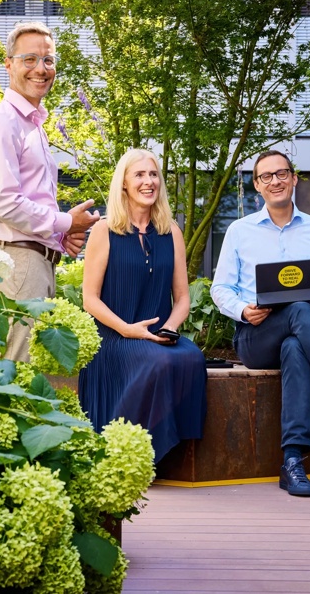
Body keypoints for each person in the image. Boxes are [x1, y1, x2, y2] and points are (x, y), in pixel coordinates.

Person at [211, 150, 310, 497]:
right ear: (257, 185)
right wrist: (242, 310)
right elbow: (220, 288)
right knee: (301, 310)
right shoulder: (240, 231)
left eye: (282, 173)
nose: (275, 181)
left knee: (296, 344)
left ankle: (292, 461)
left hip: (302, 333)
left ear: (294, 178)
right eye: (266, 176)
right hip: (256, 335)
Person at [0, 21, 100, 361]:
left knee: (32, 372)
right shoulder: (3, 124)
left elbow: (29, 200)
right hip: (19, 264)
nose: (41, 69)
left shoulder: (33, 126)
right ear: (8, 63)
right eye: (29, 59)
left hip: (35, 261)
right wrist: (63, 222)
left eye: (48, 60)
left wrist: (59, 237)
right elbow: (6, 205)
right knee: (16, 371)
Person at [78, 149, 207, 463]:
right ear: (123, 183)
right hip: (114, 338)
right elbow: (89, 299)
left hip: (159, 336)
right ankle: (126, 451)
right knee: (158, 363)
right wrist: (128, 329)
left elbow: (183, 299)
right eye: (139, 175)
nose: (149, 182)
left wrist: (170, 328)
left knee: (193, 357)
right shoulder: (104, 231)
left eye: (153, 175)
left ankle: (172, 452)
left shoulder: (171, 232)